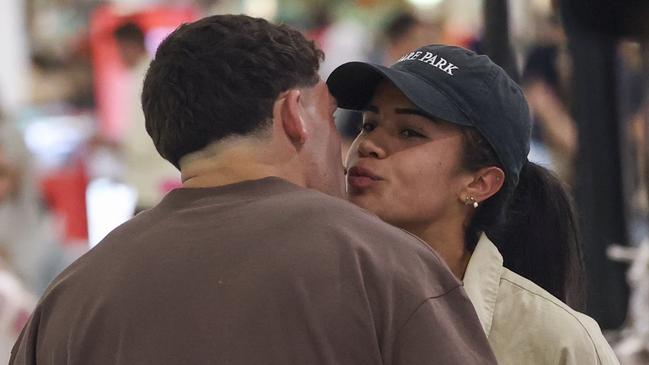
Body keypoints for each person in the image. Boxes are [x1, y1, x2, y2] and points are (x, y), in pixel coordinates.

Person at [10, 16, 497, 365]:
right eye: (332, 118)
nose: (353, 145)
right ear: (294, 115)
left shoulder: (69, 298)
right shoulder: (381, 264)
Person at [328, 44, 620, 364]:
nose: (368, 145)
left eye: (410, 132)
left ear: (480, 183)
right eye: (368, 124)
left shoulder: (554, 341)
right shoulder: (312, 297)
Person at [114, 21, 180, 211]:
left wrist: (113, 144)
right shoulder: (155, 74)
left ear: (130, 45)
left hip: (153, 184)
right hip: (163, 180)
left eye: (120, 49)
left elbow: (141, 142)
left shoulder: (142, 81)